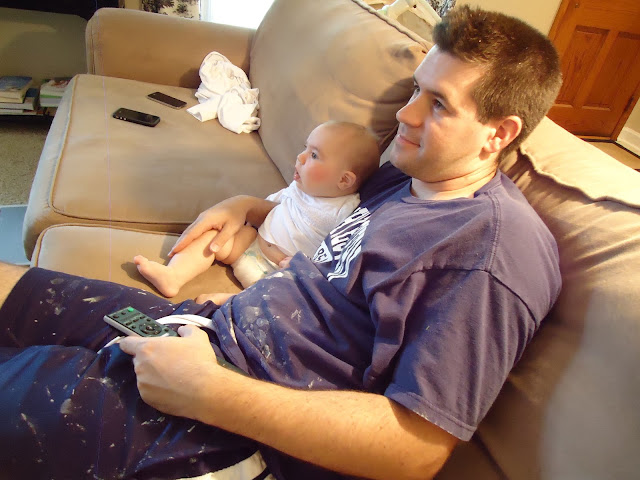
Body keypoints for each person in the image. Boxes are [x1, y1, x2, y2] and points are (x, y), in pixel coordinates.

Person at [0, 7, 563, 480]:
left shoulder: (486, 255)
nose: (404, 113)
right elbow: (320, 237)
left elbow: (417, 449)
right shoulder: (405, 175)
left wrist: (206, 391)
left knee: (20, 392)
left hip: (225, 421)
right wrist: (243, 206)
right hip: (204, 331)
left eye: (438, 104)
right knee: (12, 290)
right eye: (417, 88)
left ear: (499, 133)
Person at [133, 121, 380, 298]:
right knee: (216, 237)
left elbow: (341, 257)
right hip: (250, 248)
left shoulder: (346, 211)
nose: (301, 157)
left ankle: (229, 303)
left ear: (344, 180)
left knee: (288, 296)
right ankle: (174, 275)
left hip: (278, 272)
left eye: (314, 155)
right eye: (305, 148)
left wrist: (306, 269)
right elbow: (274, 208)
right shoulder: (301, 187)